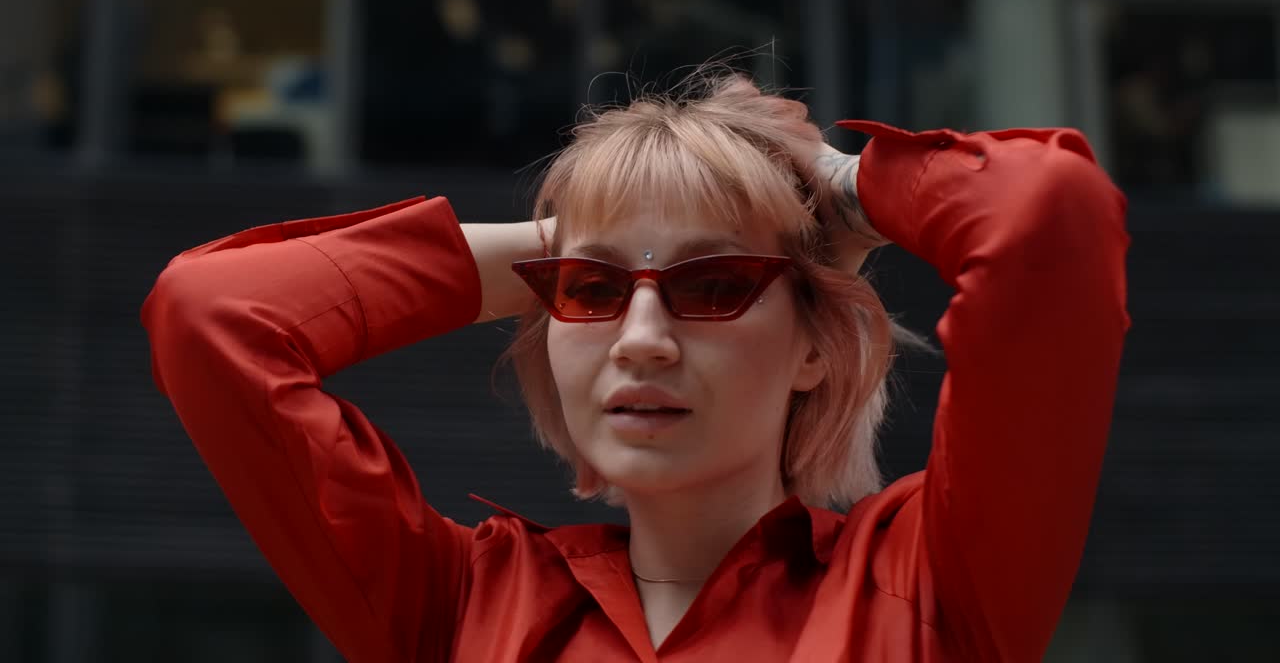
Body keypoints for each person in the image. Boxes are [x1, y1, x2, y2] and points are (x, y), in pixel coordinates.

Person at [141, 72, 1130, 662]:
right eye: (591, 292)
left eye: (713, 286)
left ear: (813, 346)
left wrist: (842, 190)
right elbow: (213, 315)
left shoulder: (927, 587)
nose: (642, 338)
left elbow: (1049, 211)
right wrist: (567, 240)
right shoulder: (461, 606)